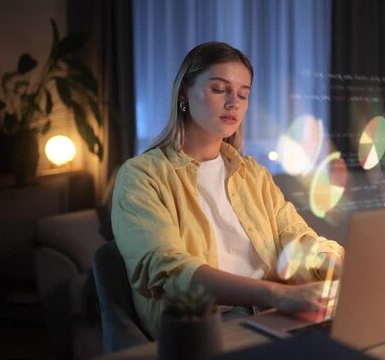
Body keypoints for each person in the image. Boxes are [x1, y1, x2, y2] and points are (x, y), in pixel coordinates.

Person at [111, 41, 344, 338]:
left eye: (243, 94)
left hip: (277, 310)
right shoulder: (141, 176)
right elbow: (169, 269)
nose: (234, 102)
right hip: (205, 324)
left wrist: (337, 263)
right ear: (184, 93)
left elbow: (297, 237)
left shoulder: (252, 175)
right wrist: (274, 294)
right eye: (219, 89)